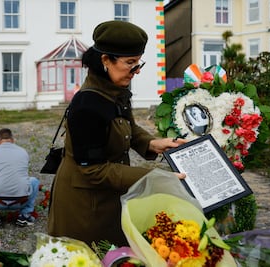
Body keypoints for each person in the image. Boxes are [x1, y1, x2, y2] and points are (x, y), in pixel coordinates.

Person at [47, 20, 187, 247]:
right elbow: (93, 170)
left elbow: (128, 127)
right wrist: (153, 178)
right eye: (130, 63)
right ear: (105, 60)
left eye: (138, 62)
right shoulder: (87, 106)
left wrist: (153, 143)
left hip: (110, 195)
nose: (137, 71)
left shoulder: (116, 90)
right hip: (84, 206)